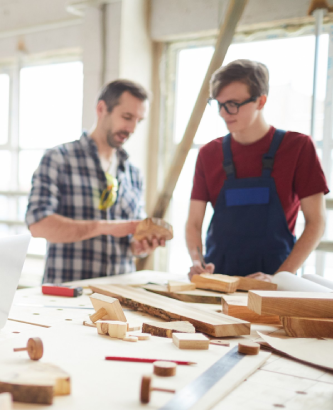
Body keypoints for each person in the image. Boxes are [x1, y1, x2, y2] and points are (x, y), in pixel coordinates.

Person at [186, 59, 328, 280]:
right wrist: (198, 263)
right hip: (219, 280)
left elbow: (316, 223)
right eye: (218, 104)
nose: (224, 113)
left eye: (233, 104)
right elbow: (193, 223)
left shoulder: (298, 148)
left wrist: (280, 278)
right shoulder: (208, 154)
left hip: (276, 282)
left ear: (261, 101)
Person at [26, 79, 163, 284]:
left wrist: (140, 245)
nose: (132, 128)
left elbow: (132, 243)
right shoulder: (59, 159)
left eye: (138, 120)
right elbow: (38, 225)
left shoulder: (134, 173)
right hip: (67, 296)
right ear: (101, 109)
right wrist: (103, 227)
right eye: (127, 117)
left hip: (120, 296)